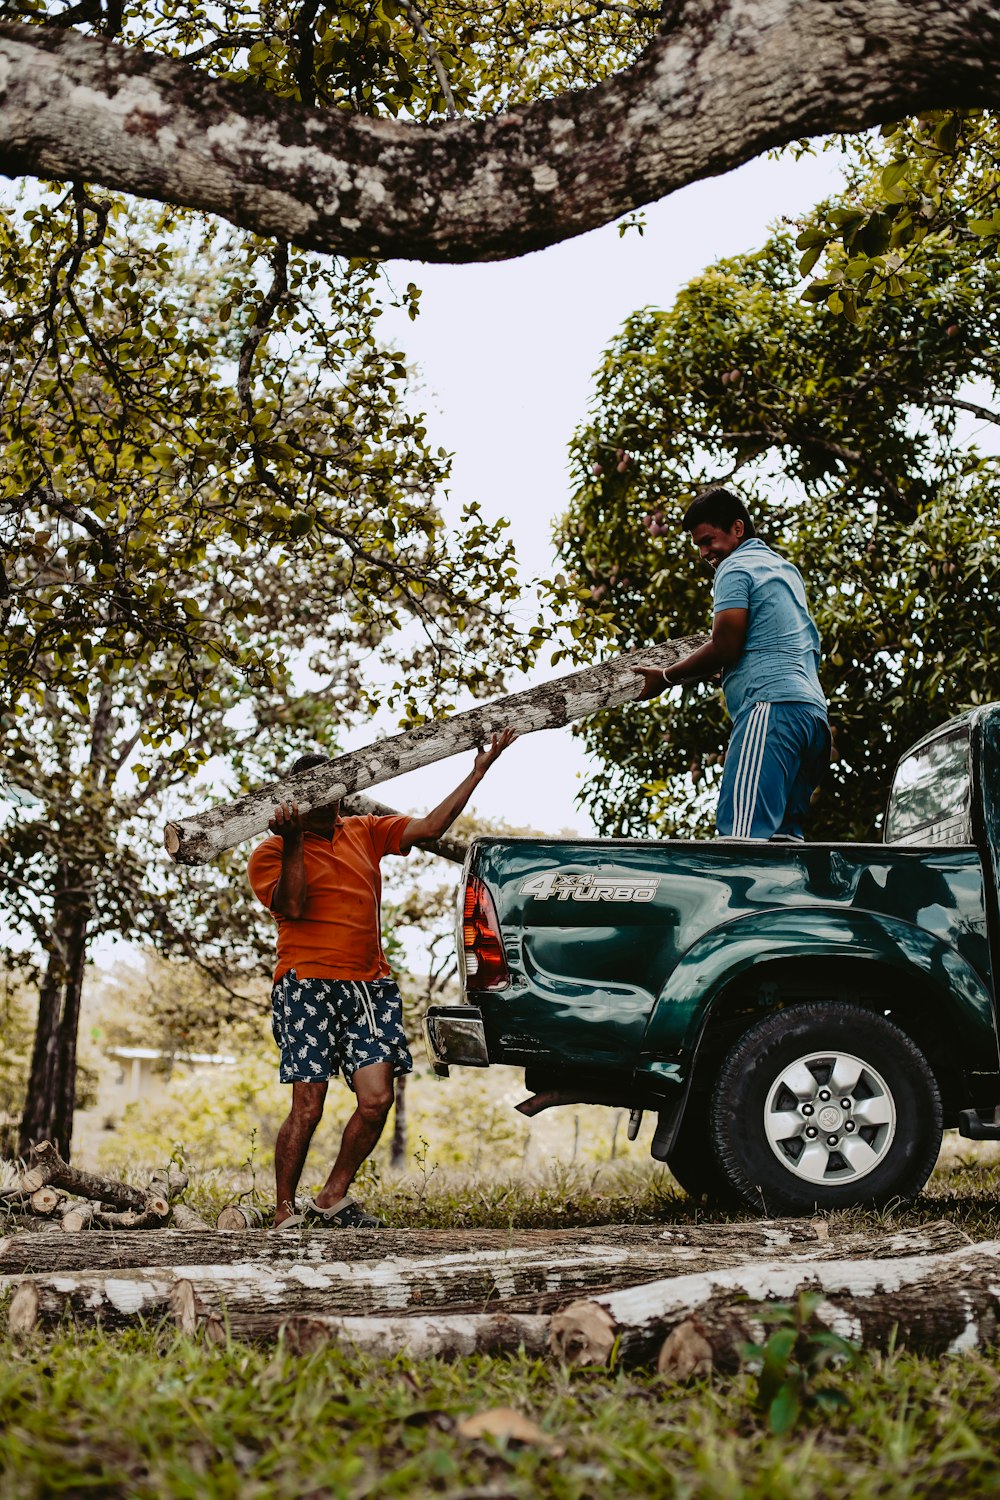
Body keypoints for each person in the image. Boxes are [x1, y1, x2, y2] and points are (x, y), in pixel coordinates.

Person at [248, 730, 517, 1227]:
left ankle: (330, 1197)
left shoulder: (365, 830)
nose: (325, 804)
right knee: (308, 1106)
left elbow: (432, 827)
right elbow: (292, 905)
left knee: (376, 1100)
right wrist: (291, 844)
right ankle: (283, 1211)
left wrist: (477, 771)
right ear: (295, 802)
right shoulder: (269, 851)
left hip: (369, 986)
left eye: (331, 793)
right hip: (306, 984)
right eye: (312, 797)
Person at [632, 487, 829, 840]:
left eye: (709, 540)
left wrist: (665, 676)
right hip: (813, 720)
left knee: (740, 843)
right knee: (785, 847)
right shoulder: (784, 569)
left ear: (738, 528)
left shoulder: (734, 567)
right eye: (699, 546)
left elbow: (725, 645)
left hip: (772, 710)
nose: (706, 553)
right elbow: (774, 637)